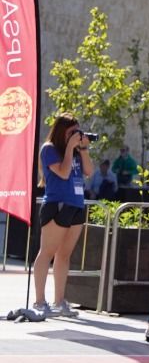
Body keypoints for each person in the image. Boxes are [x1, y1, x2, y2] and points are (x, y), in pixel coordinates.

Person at [32, 117, 91, 317]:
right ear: (61, 131)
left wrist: (83, 149)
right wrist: (70, 148)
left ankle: (59, 301)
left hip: (76, 205)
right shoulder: (49, 149)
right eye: (71, 132)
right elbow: (64, 173)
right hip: (57, 205)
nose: (75, 135)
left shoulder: (75, 151)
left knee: (64, 255)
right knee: (47, 252)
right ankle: (40, 301)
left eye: (77, 131)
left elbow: (89, 171)